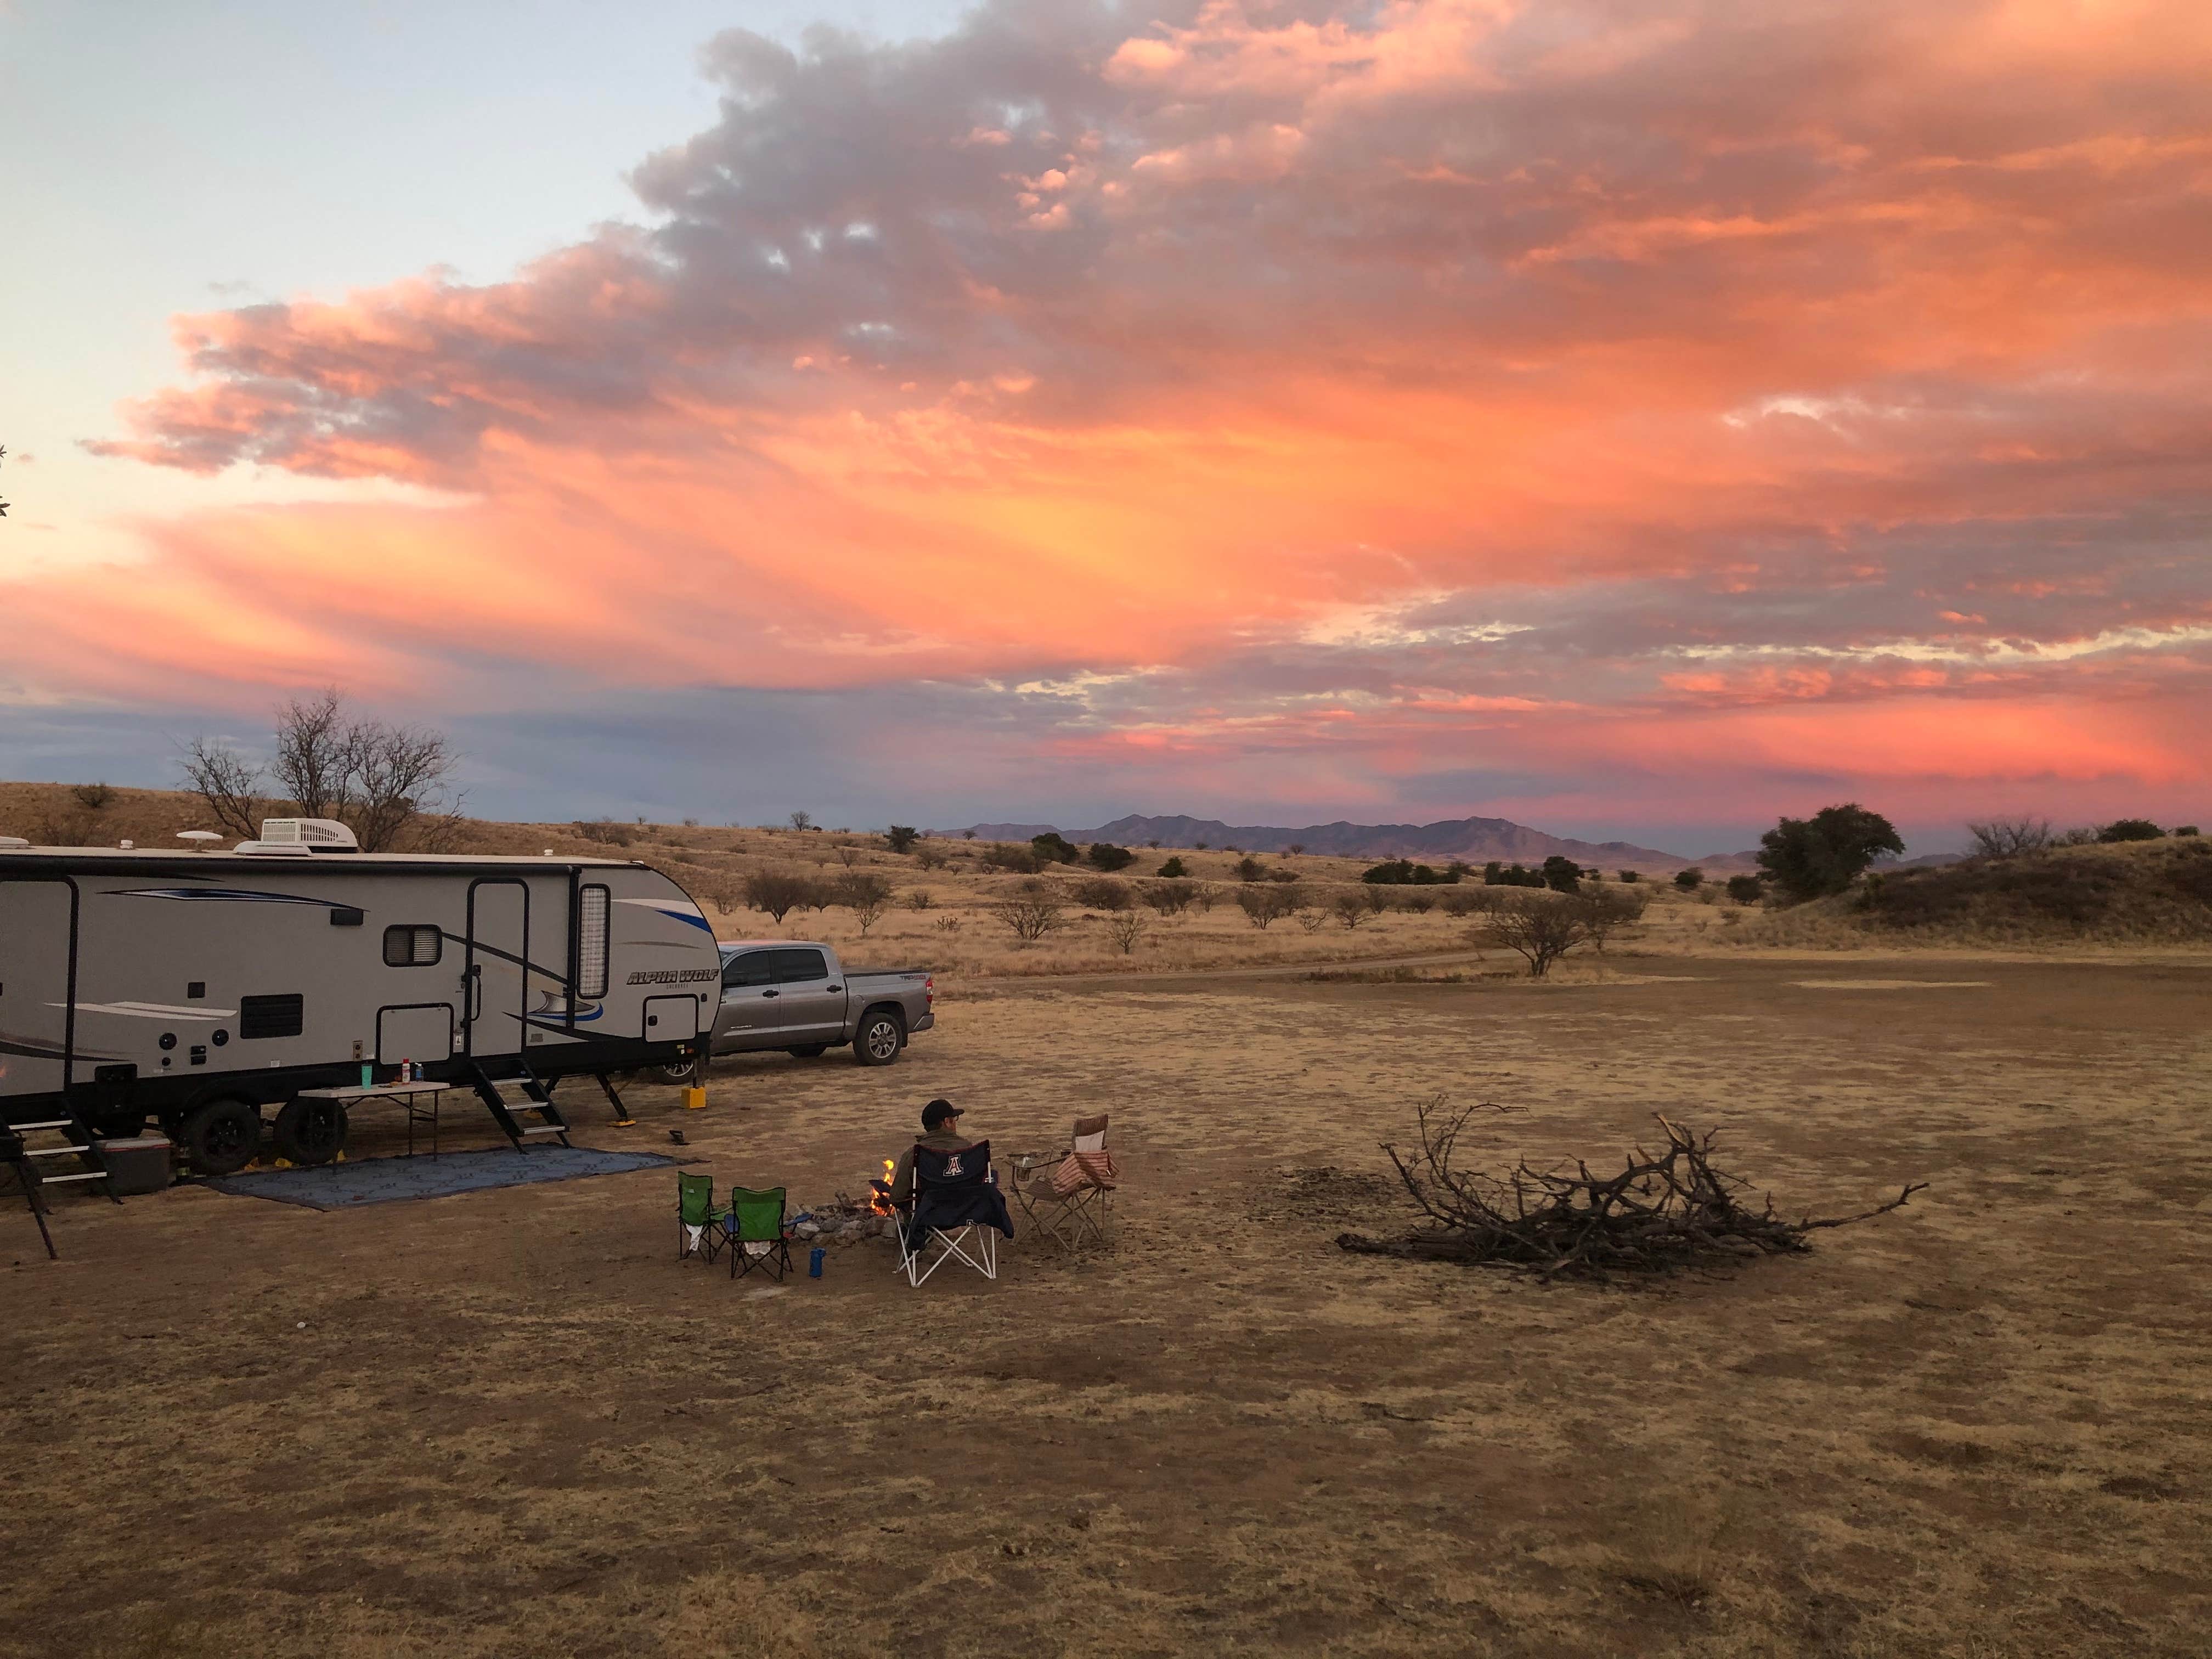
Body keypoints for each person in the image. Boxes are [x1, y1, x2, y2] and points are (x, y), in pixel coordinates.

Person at [888, 1098, 970, 1206]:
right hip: (968, 1213)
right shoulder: (969, 1150)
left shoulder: (914, 1154)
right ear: (947, 1122)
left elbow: (897, 1197)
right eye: (954, 1119)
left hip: (927, 1218)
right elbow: (989, 1180)